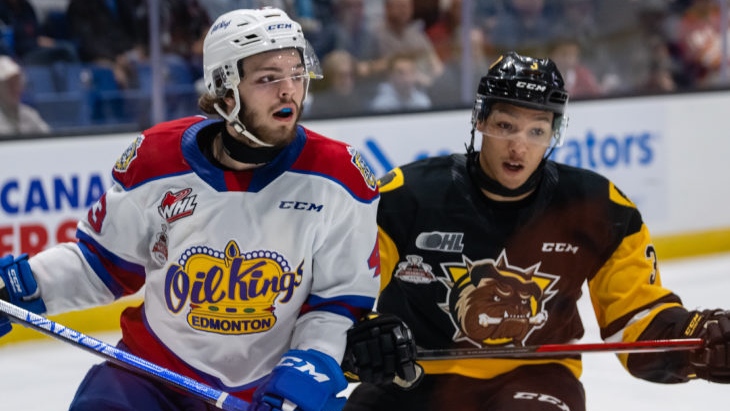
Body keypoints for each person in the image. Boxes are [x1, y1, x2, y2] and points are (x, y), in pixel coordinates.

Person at [0, 7, 381, 411]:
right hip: (154, 373)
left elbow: (338, 300)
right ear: (225, 90)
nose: (289, 90)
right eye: (268, 78)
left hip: (271, 387)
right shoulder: (157, 160)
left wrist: (306, 374)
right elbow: (102, 263)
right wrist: (23, 287)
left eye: (297, 73)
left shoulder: (341, 177)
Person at [342, 51, 730, 411]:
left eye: (536, 131)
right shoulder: (405, 197)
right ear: (480, 121)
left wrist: (697, 341)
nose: (518, 147)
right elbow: (338, 301)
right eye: (505, 125)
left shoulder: (599, 208)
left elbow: (637, 323)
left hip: (535, 377)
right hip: (413, 376)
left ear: (553, 133)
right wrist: (360, 341)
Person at [0, 55, 50, 135]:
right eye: (9, 84)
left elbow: (50, 141)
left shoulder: (29, 115)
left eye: (17, 83)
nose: (16, 88)